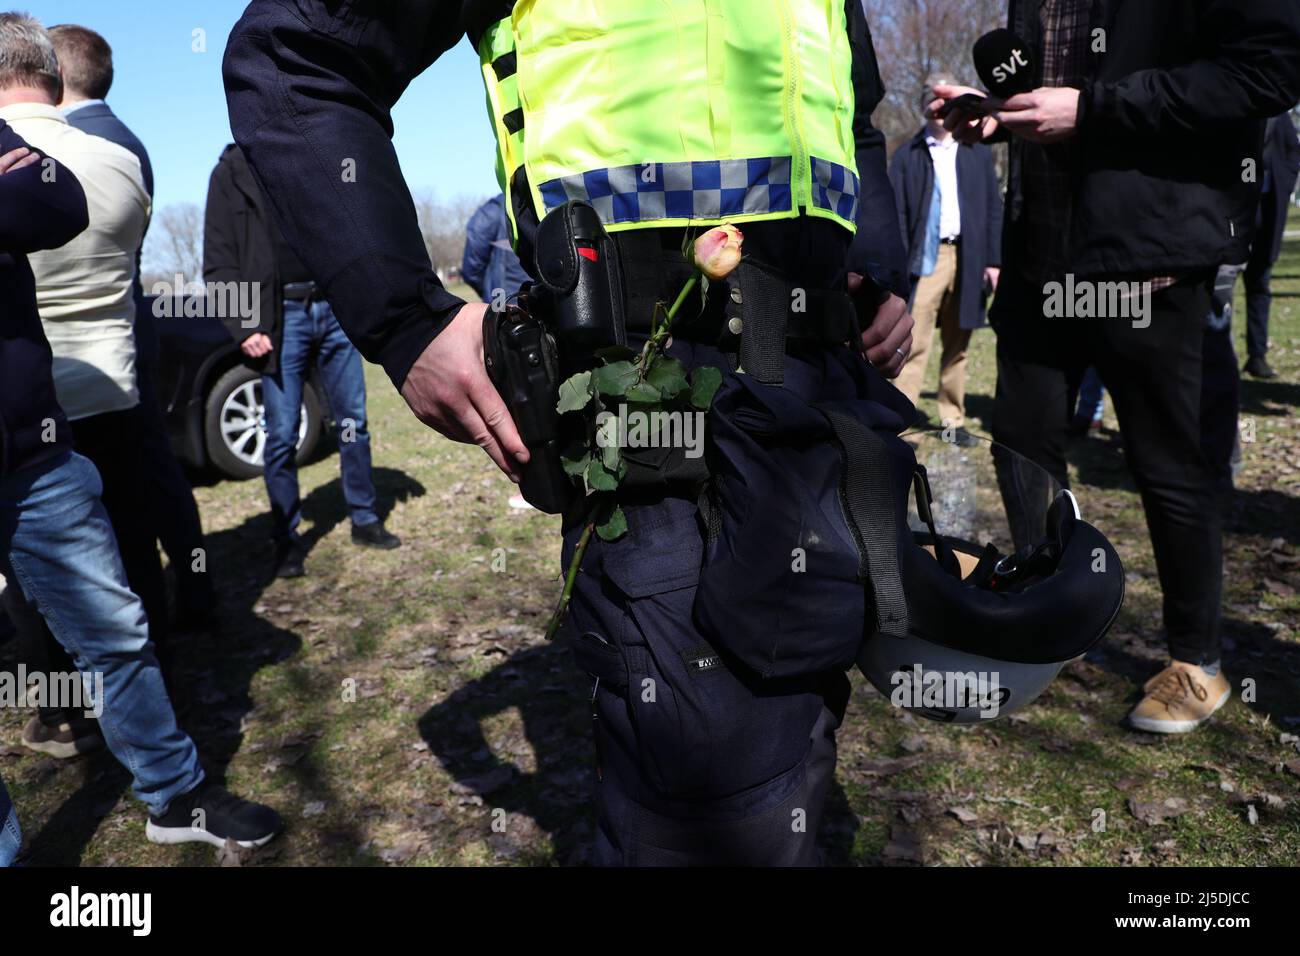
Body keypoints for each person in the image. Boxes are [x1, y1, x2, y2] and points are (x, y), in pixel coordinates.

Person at [224, 0, 913, 864]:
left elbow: (853, 108)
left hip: (817, 397)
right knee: (716, 808)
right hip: (658, 400)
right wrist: (405, 316)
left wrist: (875, 265)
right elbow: (296, 56)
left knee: (798, 724)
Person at [936, 0, 1300, 734]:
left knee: (1170, 465)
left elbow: (1270, 69)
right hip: (1041, 255)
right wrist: (998, 115)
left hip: (1151, 261)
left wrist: (1097, 110)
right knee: (1023, 439)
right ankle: (1048, 616)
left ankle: (1195, 663)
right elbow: (1055, 89)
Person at [0, 53, 281, 858]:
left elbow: (48, 203)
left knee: (114, 625)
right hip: (80, 409)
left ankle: (173, 790)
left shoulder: (76, 153)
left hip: (31, 442)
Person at [0, 12, 174, 755]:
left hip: (35, 393)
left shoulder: (28, 157)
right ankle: (159, 696)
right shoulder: (121, 157)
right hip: (112, 382)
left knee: (37, 585)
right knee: (128, 560)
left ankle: (63, 711)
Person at [50, 22, 216, 628]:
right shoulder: (120, 135)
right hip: (127, 329)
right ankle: (195, 594)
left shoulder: (85, 145)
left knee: (147, 481)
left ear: (57, 76)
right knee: (157, 475)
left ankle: (184, 601)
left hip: (110, 338)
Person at [204, 144, 401, 580]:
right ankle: (287, 539)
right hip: (278, 319)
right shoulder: (229, 173)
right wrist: (244, 325)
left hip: (333, 307)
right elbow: (218, 264)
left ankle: (365, 519)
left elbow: (352, 225)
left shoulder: (311, 155)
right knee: (280, 435)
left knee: (353, 421)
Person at [890, 73, 1003, 440]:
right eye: (933, 101)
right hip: (925, 258)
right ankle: (900, 421)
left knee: (959, 343)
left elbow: (992, 208)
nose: (940, 110)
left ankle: (952, 420)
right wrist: (897, 264)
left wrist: (993, 260)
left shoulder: (976, 150)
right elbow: (898, 214)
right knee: (914, 340)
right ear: (924, 106)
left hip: (968, 256)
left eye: (947, 103)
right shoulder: (908, 155)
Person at [1242, 112, 1300, 379]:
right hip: (1235, 211)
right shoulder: (1237, 108)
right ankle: (1216, 353)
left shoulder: (1280, 112)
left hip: (1269, 208)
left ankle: (1257, 354)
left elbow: (1291, 152)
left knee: (1260, 282)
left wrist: (1283, 185)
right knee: (1219, 288)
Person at [462, 192, 532, 306]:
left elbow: (470, 269)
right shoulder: (546, 200)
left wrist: (489, 293)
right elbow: (472, 268)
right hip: (510, 303)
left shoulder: (492, 210)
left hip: (506, 303)